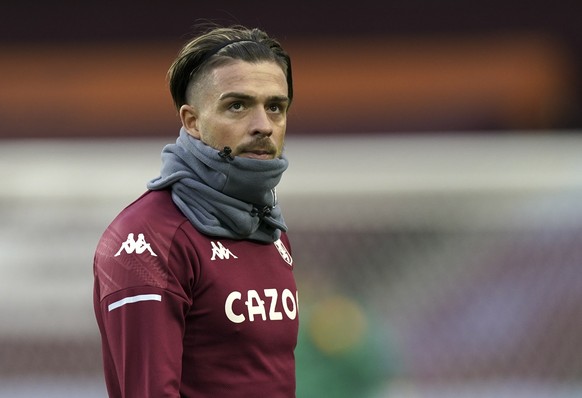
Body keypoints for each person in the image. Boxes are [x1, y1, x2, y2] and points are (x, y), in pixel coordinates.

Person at [93, 24, 298, 397]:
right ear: (192, 122)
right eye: (237, 105)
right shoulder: (148, 241)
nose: (263, 126)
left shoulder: (269, 226)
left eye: (275, 107)